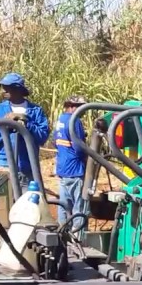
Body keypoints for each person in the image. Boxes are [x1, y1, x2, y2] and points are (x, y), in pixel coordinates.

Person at [0, 72, 50, 189]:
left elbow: (42, 136)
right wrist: (6, 126)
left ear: (18, 89)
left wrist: (26, 124)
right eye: (3, 87)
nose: (3, 91)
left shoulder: (35, 111)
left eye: (7, 88)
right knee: (6, 205)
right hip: (5, 166)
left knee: (27, 205)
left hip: (28, 168)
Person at [52, 95, 90, 236]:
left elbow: (54, 141)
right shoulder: (75, 121)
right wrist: (87, 159)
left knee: (63, 205)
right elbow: (79, 147)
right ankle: (78, 237)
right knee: (80, 207)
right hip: (75, 169)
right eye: (80, 108)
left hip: (62, 168)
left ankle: (63, 235)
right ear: (73, 106)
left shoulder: (60, 120)